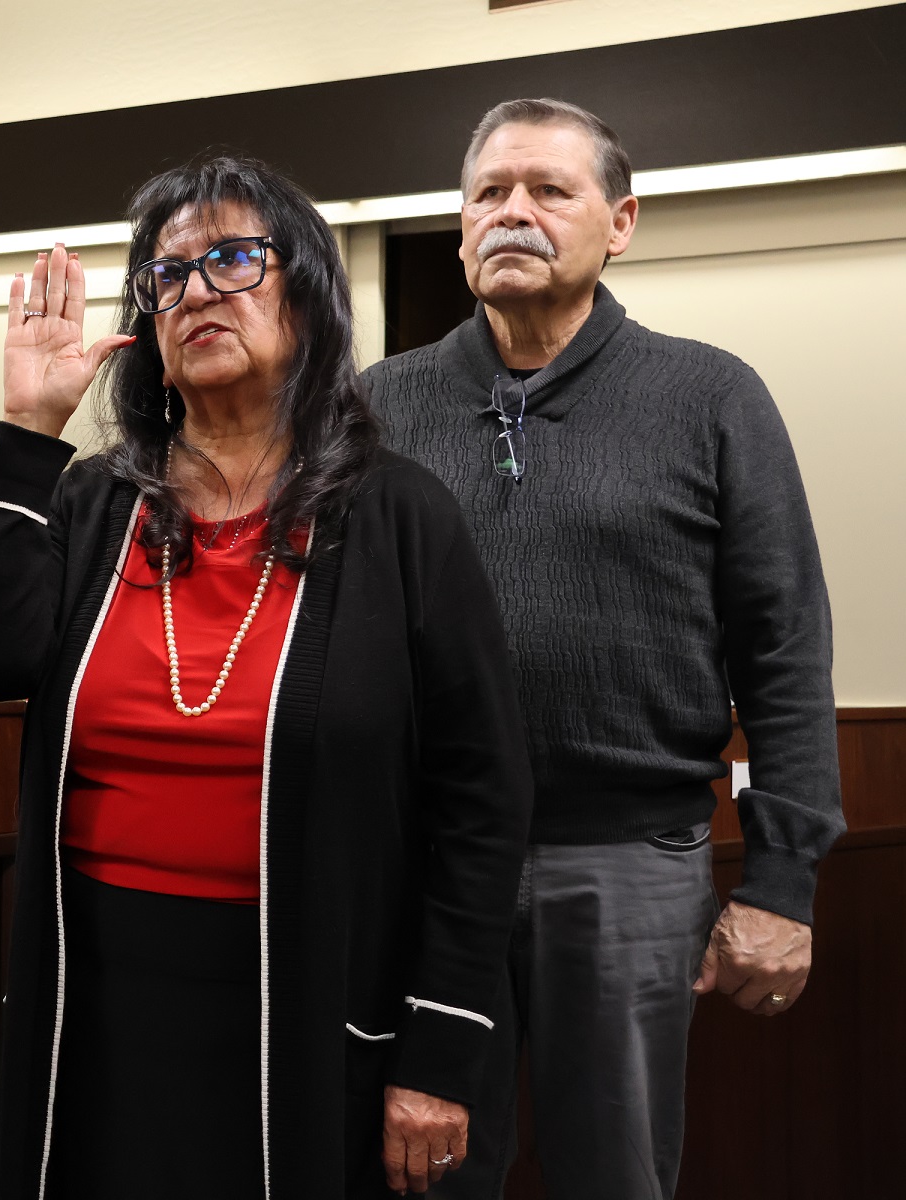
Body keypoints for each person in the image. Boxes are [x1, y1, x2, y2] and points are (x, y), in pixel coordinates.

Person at [0, 155, 535, 1199]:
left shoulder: (399, 515)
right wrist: (29, 431)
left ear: (307, 296)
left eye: (234, 259)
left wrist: (442, 1045)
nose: (197, 290)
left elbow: (484, 799)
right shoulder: (95, 502)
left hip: (310, 986)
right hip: (103, 986)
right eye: (168, 275)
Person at [362, 99, 844, 1200]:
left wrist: (783, 878)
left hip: (632, 863)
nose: (513, 213)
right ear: (460, 226)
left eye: (549, 190)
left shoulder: (711, 395)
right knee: (420, 1178)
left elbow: (783, 644)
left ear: (620, 223)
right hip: (432, 869)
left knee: (615, 1178)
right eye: (490, 193)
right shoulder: (378, 405)